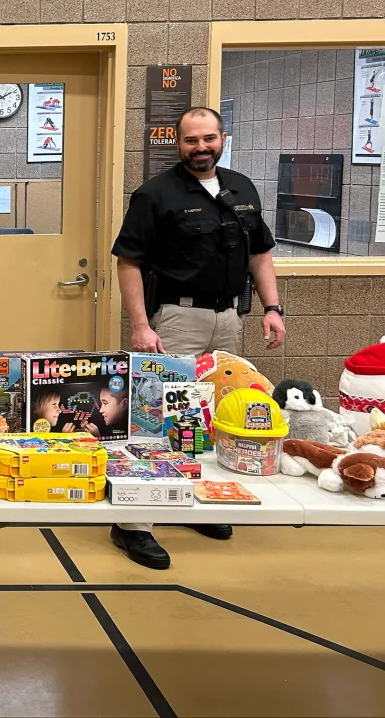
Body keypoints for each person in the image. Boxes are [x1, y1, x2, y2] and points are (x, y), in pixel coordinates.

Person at [109, 106, 285, 569]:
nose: (201, 147)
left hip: (228, 317)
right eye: (191, 140)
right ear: (179, 143)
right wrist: (141, 326)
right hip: (176, 319)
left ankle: (195, 503)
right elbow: (128, 262)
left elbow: (260, 255)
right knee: (155, 421)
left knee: (210, 419)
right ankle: (134, 525)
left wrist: (272, 308)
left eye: (209, 138)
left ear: (222, 138)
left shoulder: (241, 188)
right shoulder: (155, 194)